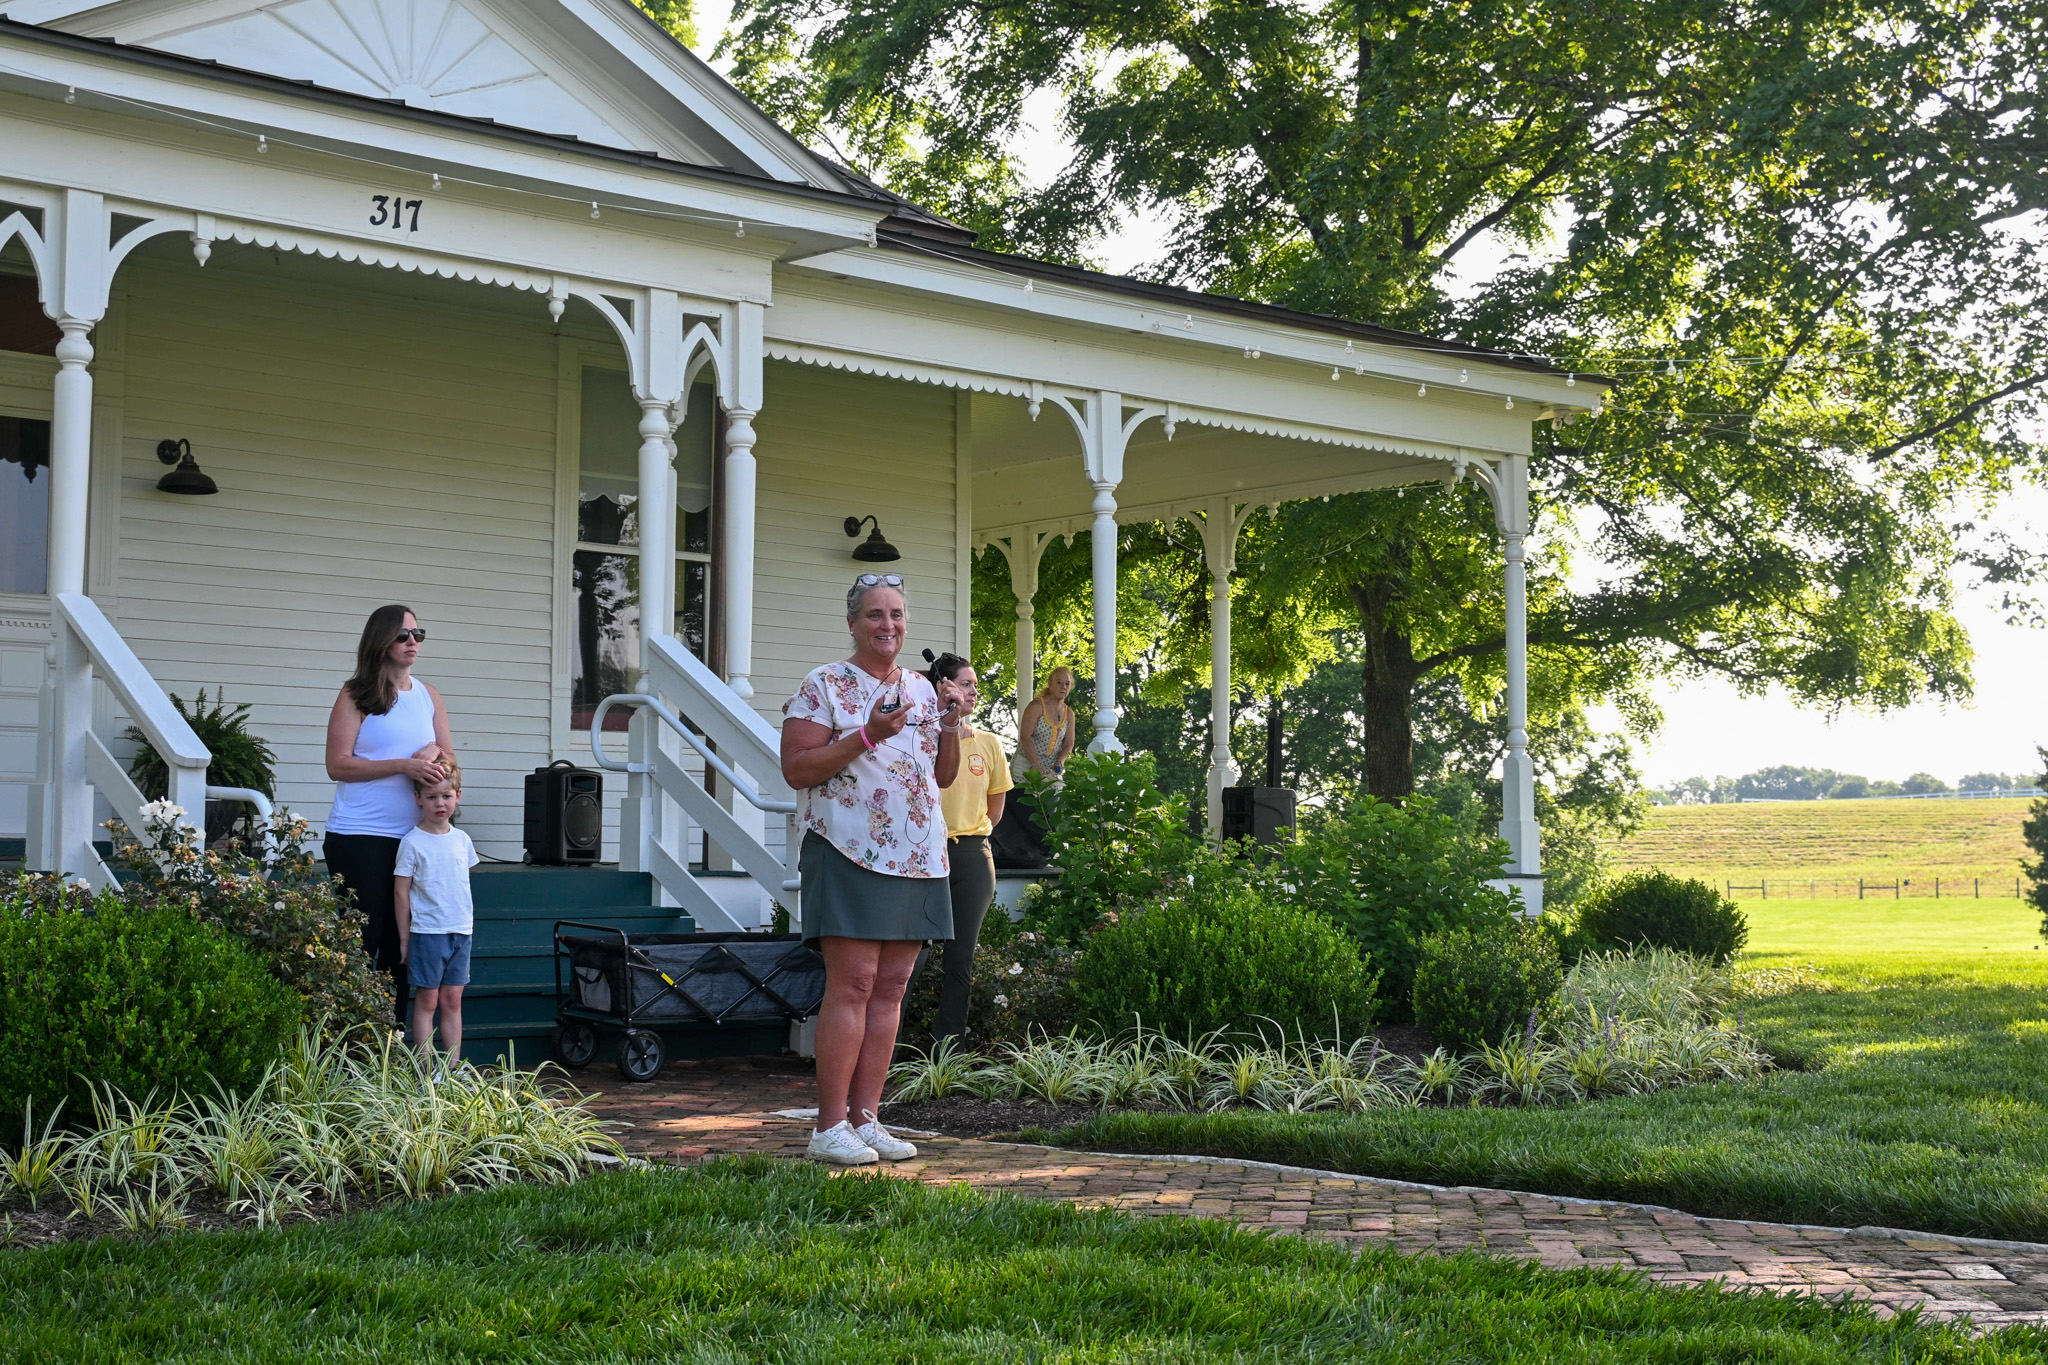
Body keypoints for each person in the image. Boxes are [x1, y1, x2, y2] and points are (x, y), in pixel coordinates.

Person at [781, 573, 965, 1166]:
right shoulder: (824, 684)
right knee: (855, 982)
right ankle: (828, 1126)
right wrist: (866, 734)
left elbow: (941, 776)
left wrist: (951, 723)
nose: (888, 625)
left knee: (891, 987)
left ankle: (866, 1119)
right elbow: (797, 768)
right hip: (847, 849)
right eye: (875, 615)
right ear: (853, 623)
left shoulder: (920, 688)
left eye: (897, 614)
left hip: (917, 854)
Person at [324, 605, 455, 1025]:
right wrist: (403, 765)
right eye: (402, 635)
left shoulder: (429, 695)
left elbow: (449, 757)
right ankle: (350, 1038)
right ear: (381, 641)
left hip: (414, 838)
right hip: (360, 835)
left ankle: (391, 1041)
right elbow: (337, 765)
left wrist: (434, 753)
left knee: (403, 942)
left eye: (418, 634)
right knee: (363, 939)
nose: (412, 642)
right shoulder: (356, 694)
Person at [922, 650, 1011, 1042]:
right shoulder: (922, 737)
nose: (974, 691)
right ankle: (888, 1052)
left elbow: (995, 810)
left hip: (972, 857)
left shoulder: (989, 743)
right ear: (944, 688)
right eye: (965, 683)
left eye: (976, 684)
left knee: (960, 961)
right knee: (909, 957)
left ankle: (948, 1052)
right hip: (924, 856)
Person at [394, 760, 478, 1064]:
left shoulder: (462, 840)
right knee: (427, 1001)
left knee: (452, 1000)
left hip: (461, 932)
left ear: (458, 796)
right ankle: (426, 1069)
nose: (440, 803)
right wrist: (405, 939)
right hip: (427, 932)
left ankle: (453, 1069)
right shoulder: (412, 842)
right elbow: (401, 891)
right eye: (431, 797)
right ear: (418, 799)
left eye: (446, 796)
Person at [1018, 666, 1077, 783]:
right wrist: (1036, 765)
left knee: (1056, 793)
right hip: (1025, 766)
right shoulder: (1036, 706)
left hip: (1051, 770)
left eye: (1067, 684)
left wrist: (1060, 761)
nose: (1063, 687)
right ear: (1050, 685)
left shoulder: (1069, 713)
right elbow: (1025, 737)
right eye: (1059, 683)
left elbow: (1068, 744)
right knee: (1021, 794)